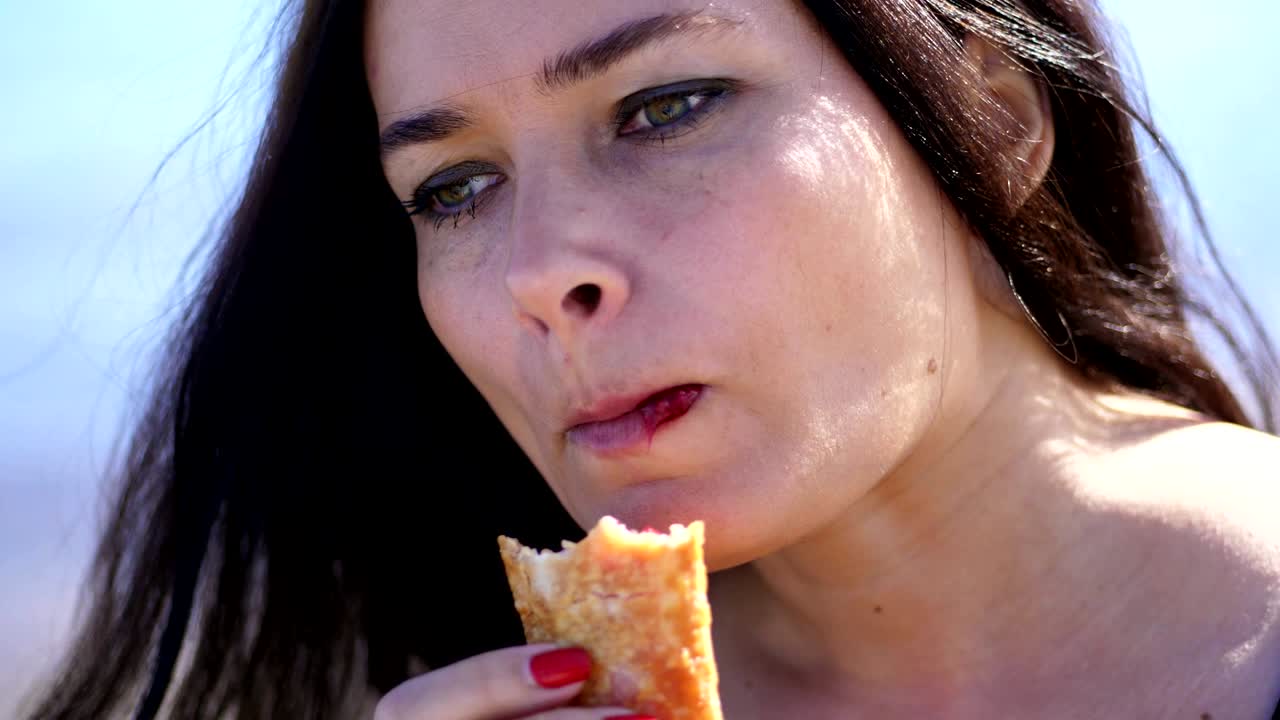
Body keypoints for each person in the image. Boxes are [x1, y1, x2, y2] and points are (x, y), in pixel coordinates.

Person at [24, 0, 1280, 718]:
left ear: (991, 121)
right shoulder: (475, 688)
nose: (537, 271)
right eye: (453, 186)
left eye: (663, 107)